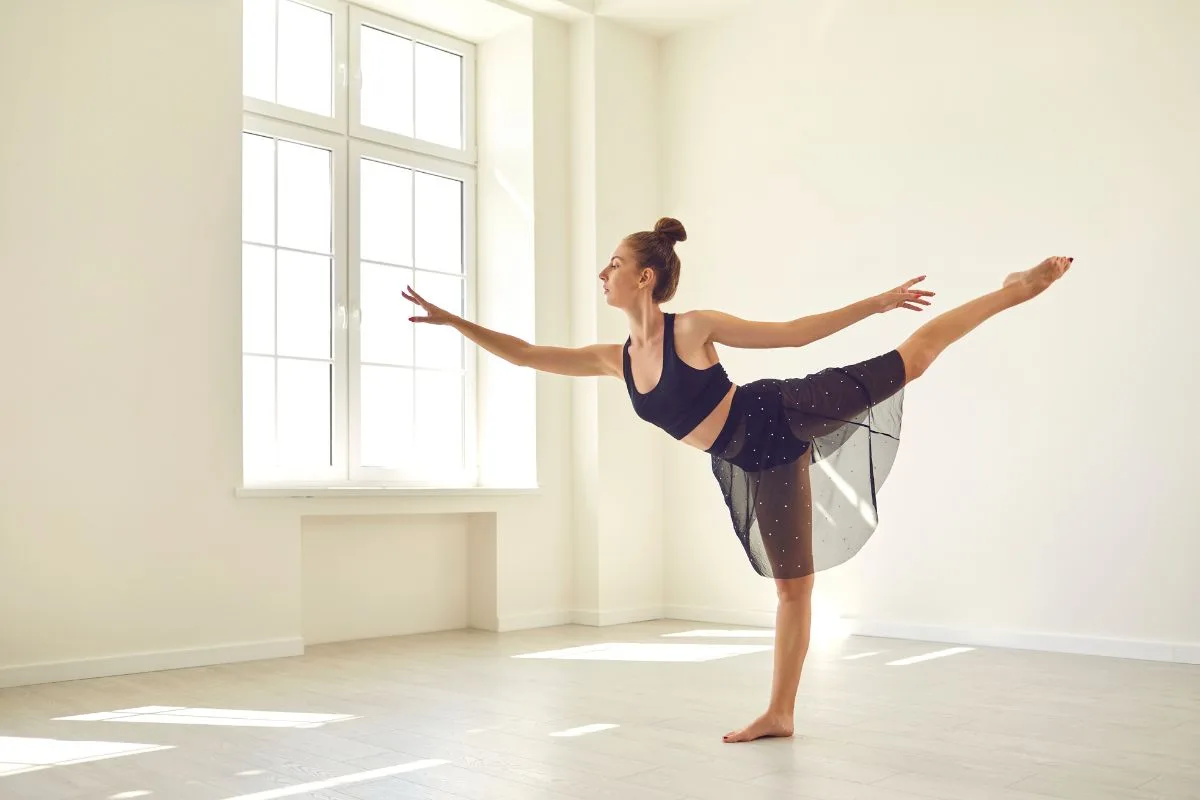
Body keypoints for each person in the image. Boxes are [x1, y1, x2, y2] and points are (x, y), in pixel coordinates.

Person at [403, 217, 1072, 743]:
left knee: (915, 359)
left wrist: (878, 301)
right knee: (793, 589)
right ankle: (780, 713)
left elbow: (792, 335)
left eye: (613, 261)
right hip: (756, 461)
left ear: (644, 276)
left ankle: (1014, 289)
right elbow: (525, 355)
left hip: (778, 409)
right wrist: (454, 320)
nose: (601, 271)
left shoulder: (693, 328)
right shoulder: (615, 358)